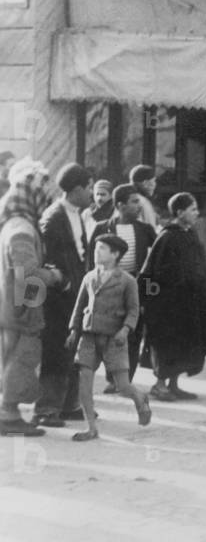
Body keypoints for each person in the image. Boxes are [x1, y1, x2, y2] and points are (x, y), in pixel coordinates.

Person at [66, 234, 151, 441]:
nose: (97, 252)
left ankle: (139, 398)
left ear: (115, 254)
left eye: (102, 248)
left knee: (122, 386)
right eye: (96, 248)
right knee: (84, 384)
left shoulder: (127, 281)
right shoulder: (89, 277)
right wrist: (73, 330)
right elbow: (79, 307)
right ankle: (91, 428)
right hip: (89, 336)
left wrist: (125, 330)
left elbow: (133, 311)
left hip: (114, 338)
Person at [0, 160, 62, 436]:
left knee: (13, 357)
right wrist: (54, 276)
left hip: (14, 305)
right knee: (21, 359)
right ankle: (9, 415)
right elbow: (27, 274)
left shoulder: (11, 223)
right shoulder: (22, 229)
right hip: (22, 307)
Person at [33, 163, 92, 428]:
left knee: (73, 347)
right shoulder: (53, 217)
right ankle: (46, 409)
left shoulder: (76, 214)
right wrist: (67, 284)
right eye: (89, 187)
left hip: (76, 295)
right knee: (57, 349)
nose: (92, 192)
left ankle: (69, 405)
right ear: (77, 189)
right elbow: (49, 260)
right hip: (59, 298)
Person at [139, 193, 206, 401]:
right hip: (169, 306)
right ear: (179, 213)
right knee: (168, 346)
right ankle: (159, 385)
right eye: (193, 209)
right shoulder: (167, 237)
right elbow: (149, 273)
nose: (197, 213)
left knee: (185, 344)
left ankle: (174, 384)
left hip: (189, 304)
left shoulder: (190, 235)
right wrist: (150, 302)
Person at [89, 183, 157, 386]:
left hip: (135, 287)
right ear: (120, 205)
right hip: (109, 287)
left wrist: (148, 293)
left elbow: (153, 262)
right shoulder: (103, 228)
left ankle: (124, 378)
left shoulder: (145, 229)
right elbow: (91, 263)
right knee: (109, 333)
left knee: (133, 334)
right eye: (134, 202)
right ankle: (111, 377)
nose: (139, 206)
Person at [129, 165, 160, 229]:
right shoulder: (142, 202)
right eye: (154, 181)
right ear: (145, 183)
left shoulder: (128, 199)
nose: (155, 184)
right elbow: (151, 231)